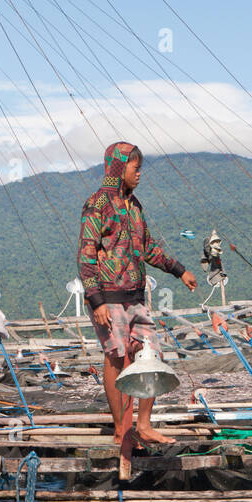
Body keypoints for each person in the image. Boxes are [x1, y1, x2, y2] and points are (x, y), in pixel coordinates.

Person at [77, 141, 197, 445]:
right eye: (135, 168)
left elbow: (148, 248)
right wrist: (96, 300)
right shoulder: (97, 204)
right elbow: (86, 255)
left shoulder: (134, 206)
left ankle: (143, 424)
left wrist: (179, 270)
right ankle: (121, 428)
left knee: (150, 354)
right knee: (116, 356)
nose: (140, 174)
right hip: (108, 297)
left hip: (136, 296)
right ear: (119, 168)